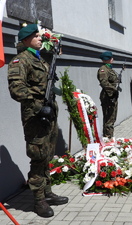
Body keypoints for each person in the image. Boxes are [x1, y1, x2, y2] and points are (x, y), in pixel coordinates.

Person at [7, 24, 68, 218]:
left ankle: (47, 192)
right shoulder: (20, 60)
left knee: (47, 155)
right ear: (26, 40)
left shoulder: (39, 58)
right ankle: (38, 200)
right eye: (36, 36)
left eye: (40, 35)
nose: (40, 38)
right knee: (37, 157)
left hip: (48, 114)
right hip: (35, 116)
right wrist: (39, 100)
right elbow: (17, 90)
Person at [97, 51, 119, 138]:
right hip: (108, 96)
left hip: (112, 95)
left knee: (112, 119)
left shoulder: (109, 69)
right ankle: (108, 138)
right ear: (108, 59)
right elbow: (104, 83)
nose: (112, 59)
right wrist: (113, 90)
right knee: (109, 119)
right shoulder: (103, 70)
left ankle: (109, 137)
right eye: (111, 58)